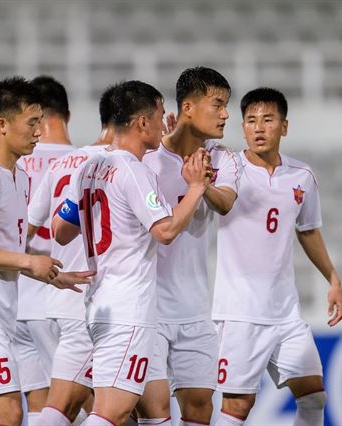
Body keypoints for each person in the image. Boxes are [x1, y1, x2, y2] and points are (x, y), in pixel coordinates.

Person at [52, 80, 210, 426]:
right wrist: (197, 187)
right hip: (128, 308)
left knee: (138, 412)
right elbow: (165, 231)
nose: (162, 121)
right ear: (141, 123)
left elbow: (60, 231)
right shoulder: (135, 171)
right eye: (157, 114)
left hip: (99, 305)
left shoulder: (89, 167)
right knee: (113, 411)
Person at [0, 76, 92, 426]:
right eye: (32, 123)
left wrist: (51, 274)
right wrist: (28, 260)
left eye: (41, 122)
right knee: (9, 412)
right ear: (3, 124)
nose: (40, 131)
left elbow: (6, 248)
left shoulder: (19, 175)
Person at [212, 87, 342, 426]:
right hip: (240, 311)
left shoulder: (302, 176)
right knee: (237, 408)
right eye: (251, 120)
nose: (258, 128)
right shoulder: (229, 168)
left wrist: (332, 277)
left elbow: (308, 230)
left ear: (284, 126)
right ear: (242, 127)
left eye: (268, 120)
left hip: (285, 311)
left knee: (314, 397)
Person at [138, 66, 238, 426]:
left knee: (200, 409)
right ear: (189, 107)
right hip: (146, 308)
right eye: (218, 104)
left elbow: (225, 202)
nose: (226, 113)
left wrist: (200, 182)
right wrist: (191, 179)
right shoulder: (145, 160)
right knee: (153, 410)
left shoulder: (221, 158)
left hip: (194, 308)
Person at [28, 83, 119, 426]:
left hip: (45, 299)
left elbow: (33, 228)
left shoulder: (59, 161)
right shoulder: (112, 162)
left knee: (71, 404)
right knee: (78, 405)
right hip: (83, 298)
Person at [15, 75, 75, 425]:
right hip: (60, 298)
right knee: (92, 402)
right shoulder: (82, 161)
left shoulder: (14, 162)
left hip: (18, 302)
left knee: (39, 406)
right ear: (66, 114)